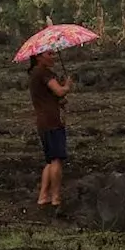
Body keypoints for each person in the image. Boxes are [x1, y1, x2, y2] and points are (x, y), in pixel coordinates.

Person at [28, 50, 73, 208]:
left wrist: (59, 101)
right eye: (49, 54)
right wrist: (67, 86)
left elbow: (49, 97)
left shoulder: (35, 74)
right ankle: (55, 198)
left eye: (54, 54)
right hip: (52, 121)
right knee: (56, 160)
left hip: (43, 122)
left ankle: (43, 196)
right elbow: (59, 91)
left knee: (50, 160)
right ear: (39, 57)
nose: (53, 57)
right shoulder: (44, 73)